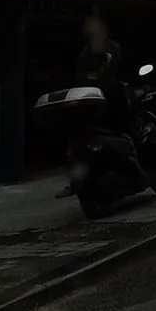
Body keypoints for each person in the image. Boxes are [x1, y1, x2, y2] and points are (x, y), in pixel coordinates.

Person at [58, 15, 125, 196]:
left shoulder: (112, 48)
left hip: (108, 97)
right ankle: (77, 182)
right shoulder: (85, 52)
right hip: (89, 101)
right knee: (76, 143)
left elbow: (113, 68)